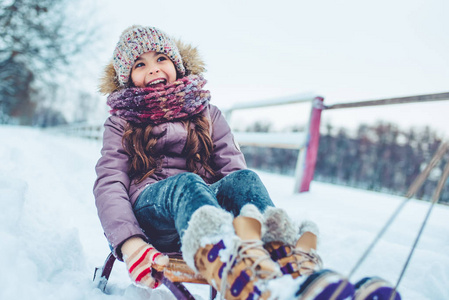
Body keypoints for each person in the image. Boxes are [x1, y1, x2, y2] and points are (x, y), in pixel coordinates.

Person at [94, 25, 398, 300]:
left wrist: (244, 215)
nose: (153, 69)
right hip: (155, 216)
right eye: (139, 64)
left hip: (207, 208)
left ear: (176, 63)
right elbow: (110, 183)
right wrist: (130, 244)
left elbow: (232, 172)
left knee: (244, 179)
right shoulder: (122, 122)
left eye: (161, 58)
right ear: (126, 78)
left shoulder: (206, 113)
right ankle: (233, 271)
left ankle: (289, 270)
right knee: (187, 183)